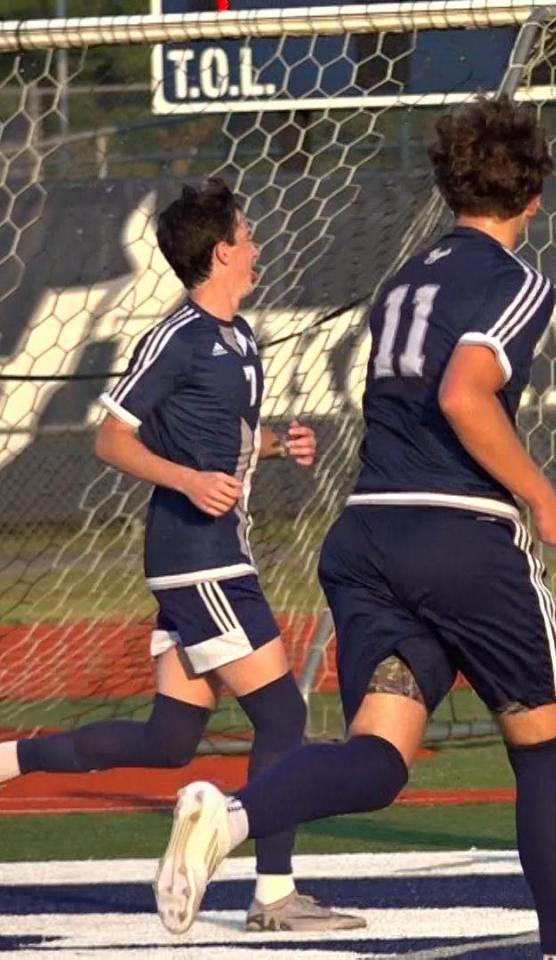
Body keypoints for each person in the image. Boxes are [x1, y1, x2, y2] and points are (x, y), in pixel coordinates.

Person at [153, 96, 556, 958]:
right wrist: (543, 499)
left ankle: (233, 814)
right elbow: (465, 394)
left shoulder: (406, 277)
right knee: (546, 751)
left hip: (366, 539)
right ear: (534, 194)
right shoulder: (516, 279)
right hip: (460, 536)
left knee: (380, 757)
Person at [0, 177, 361, 931]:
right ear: (223, 249)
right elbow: (111, 439)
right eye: (248, 233)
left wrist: (272, 443)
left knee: (169, 741)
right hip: (198, 559)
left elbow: (219, 443)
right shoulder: (177, 336)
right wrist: (190, 480)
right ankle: (272, 895)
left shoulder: (242, 336)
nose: (257, 244)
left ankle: (7, 762)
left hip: (214, 554)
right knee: (283, 716)